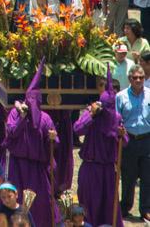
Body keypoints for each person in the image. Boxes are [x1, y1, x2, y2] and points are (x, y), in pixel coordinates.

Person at [4, 61, 60, 227]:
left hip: (37, 168)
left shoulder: (45, 118)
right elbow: (11, 133)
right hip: (17, 165)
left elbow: (55, 142)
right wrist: (22, 118)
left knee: (42, 202)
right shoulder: (15, 113)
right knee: (16, 200)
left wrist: (53, 138)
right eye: (29, 100)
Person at [73, 67, 127, 227]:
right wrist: (91, 115)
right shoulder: (91, 114)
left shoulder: (116, 118)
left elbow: (124, 142)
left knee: (108, 205)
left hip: (109, 170)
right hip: (90, 167)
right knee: (89, 204)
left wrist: (121, 134)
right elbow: (77, 129)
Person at [116, 64, 150, 221]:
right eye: (135, 77)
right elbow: (116, 119)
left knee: (147, 176)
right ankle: (125, 207)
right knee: (128, 177)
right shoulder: (121, 96)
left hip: (147, 140)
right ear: (129, 79)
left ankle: (145, 209)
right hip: (129, 141)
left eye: (141, 77)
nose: (138, 80)